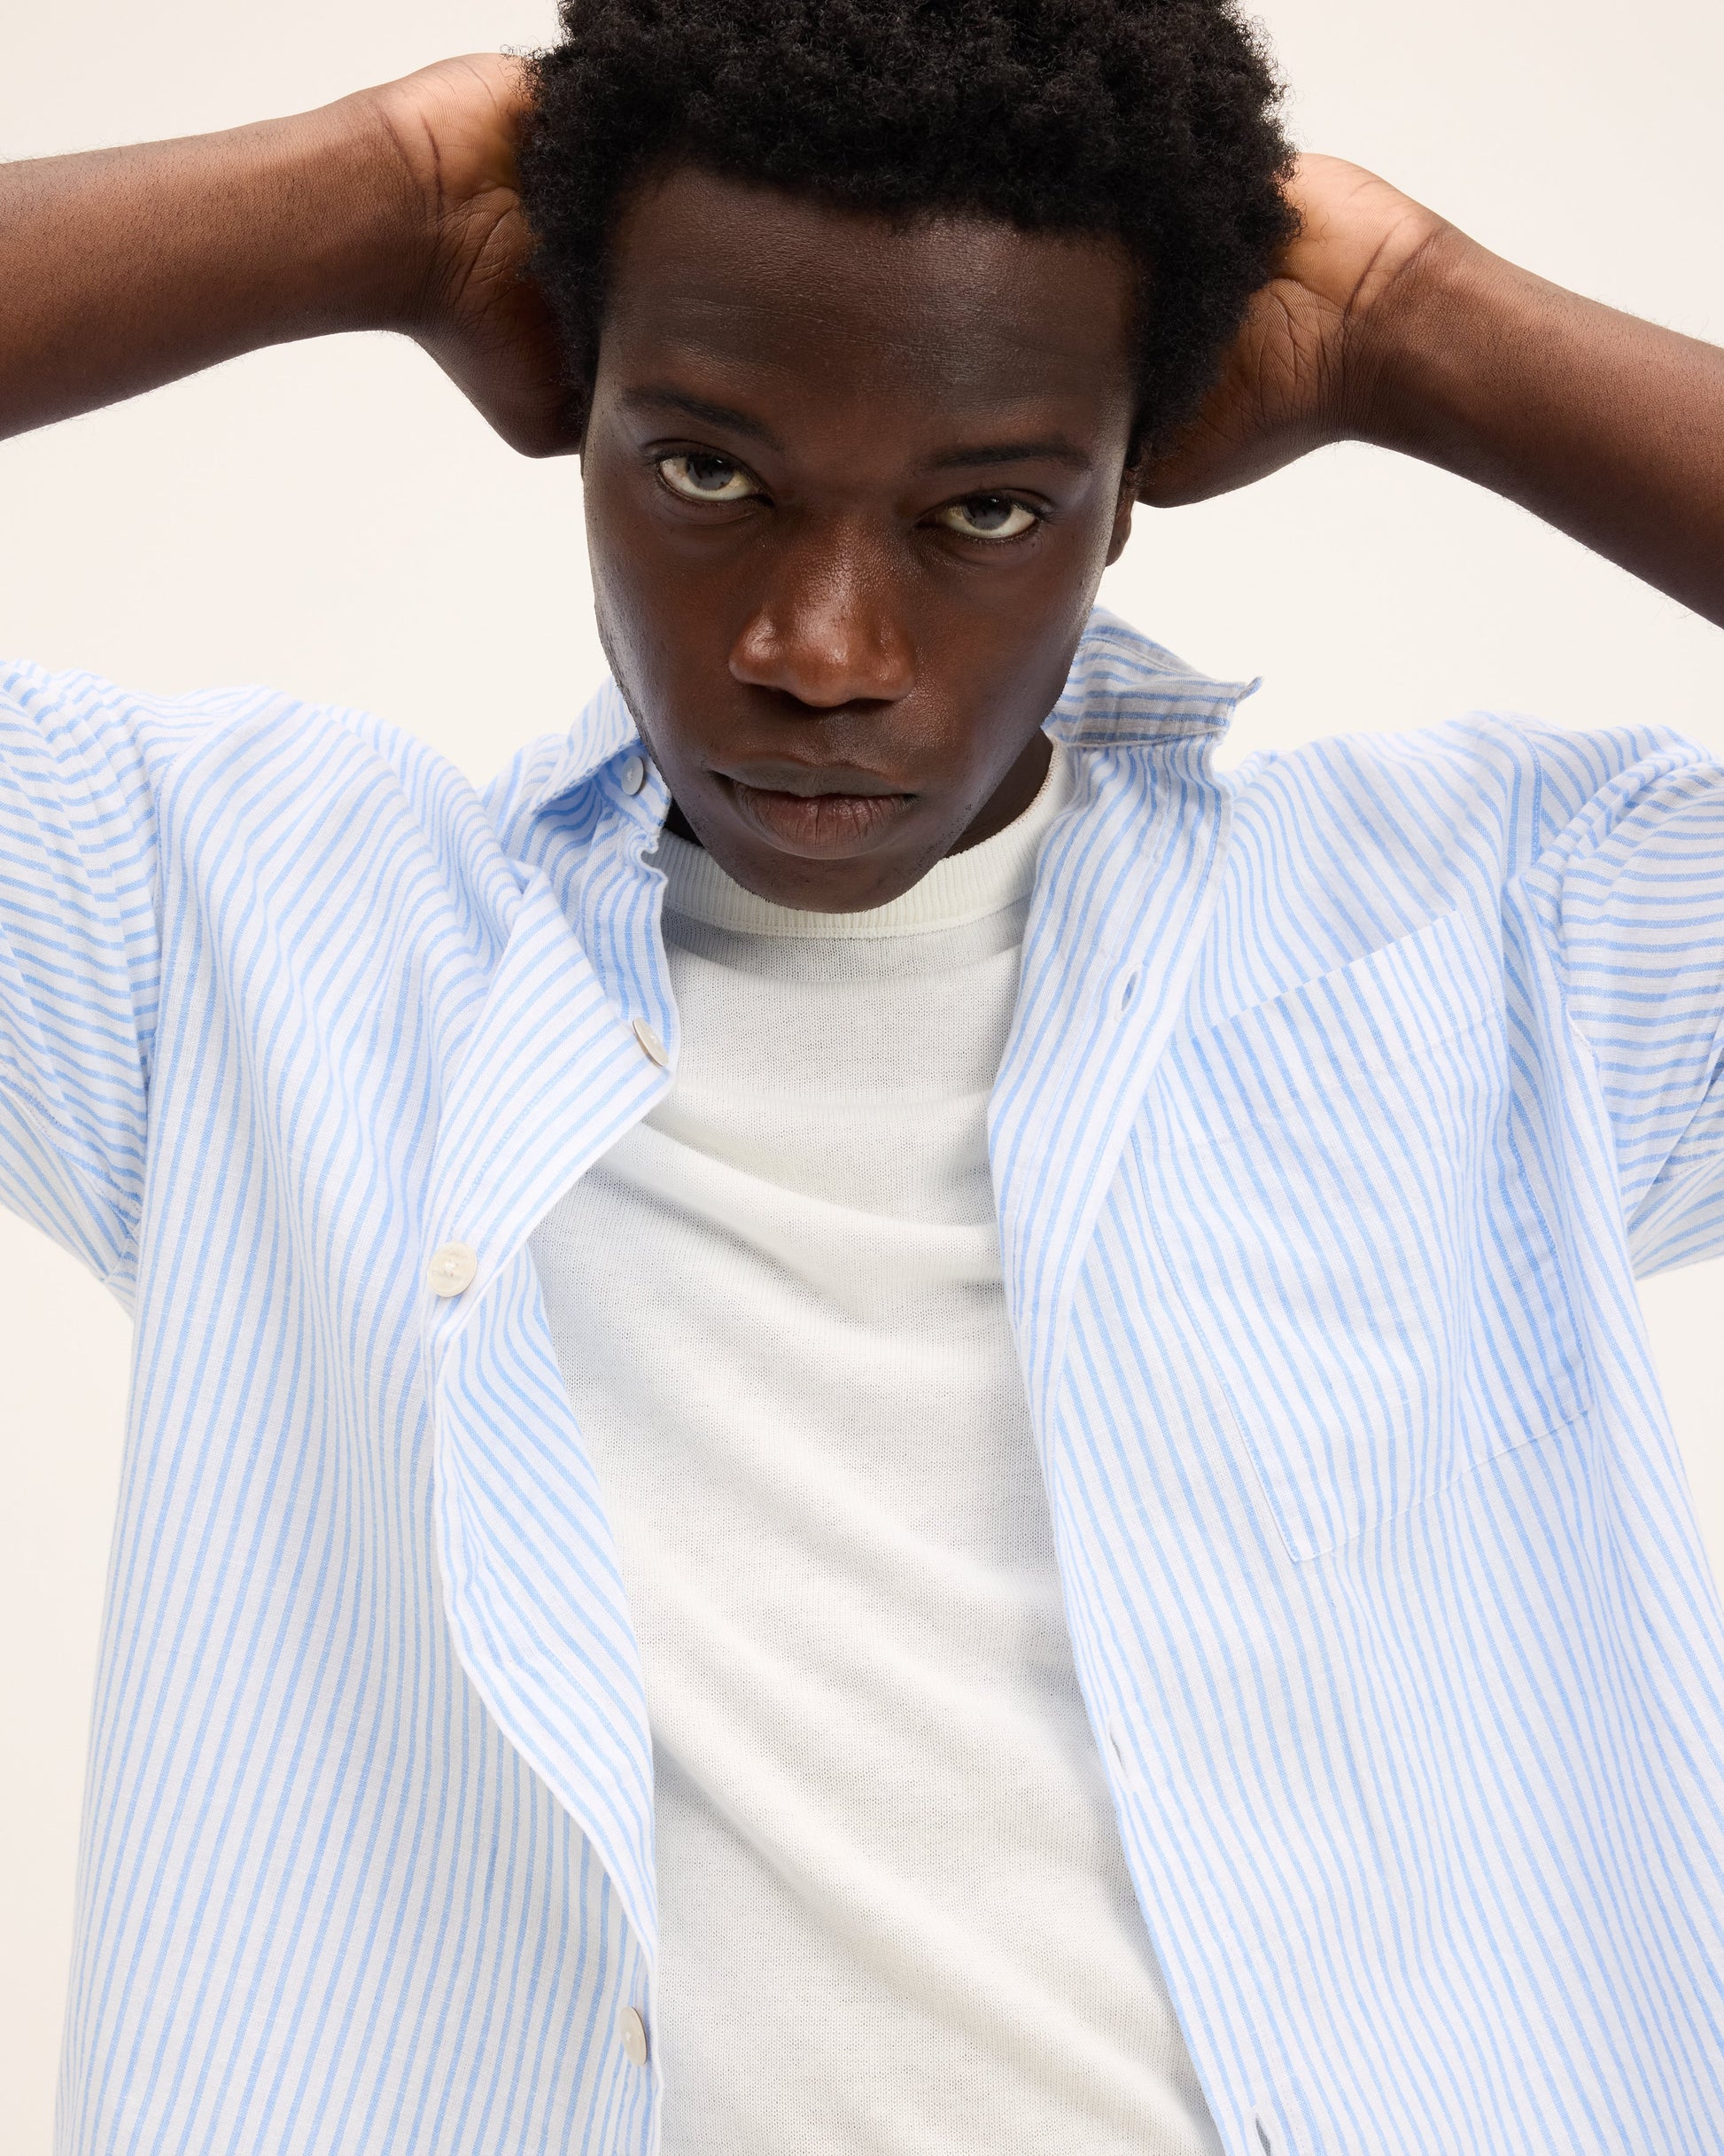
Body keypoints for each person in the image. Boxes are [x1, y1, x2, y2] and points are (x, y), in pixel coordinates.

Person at [4, 1, 1722, 2151]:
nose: (820, 651)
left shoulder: (1495, 942)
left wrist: (1410, 316)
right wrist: (389, 192)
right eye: (709, 472)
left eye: (985, 508)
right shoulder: (238, 926)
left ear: (1126, 491)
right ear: (579, 407)